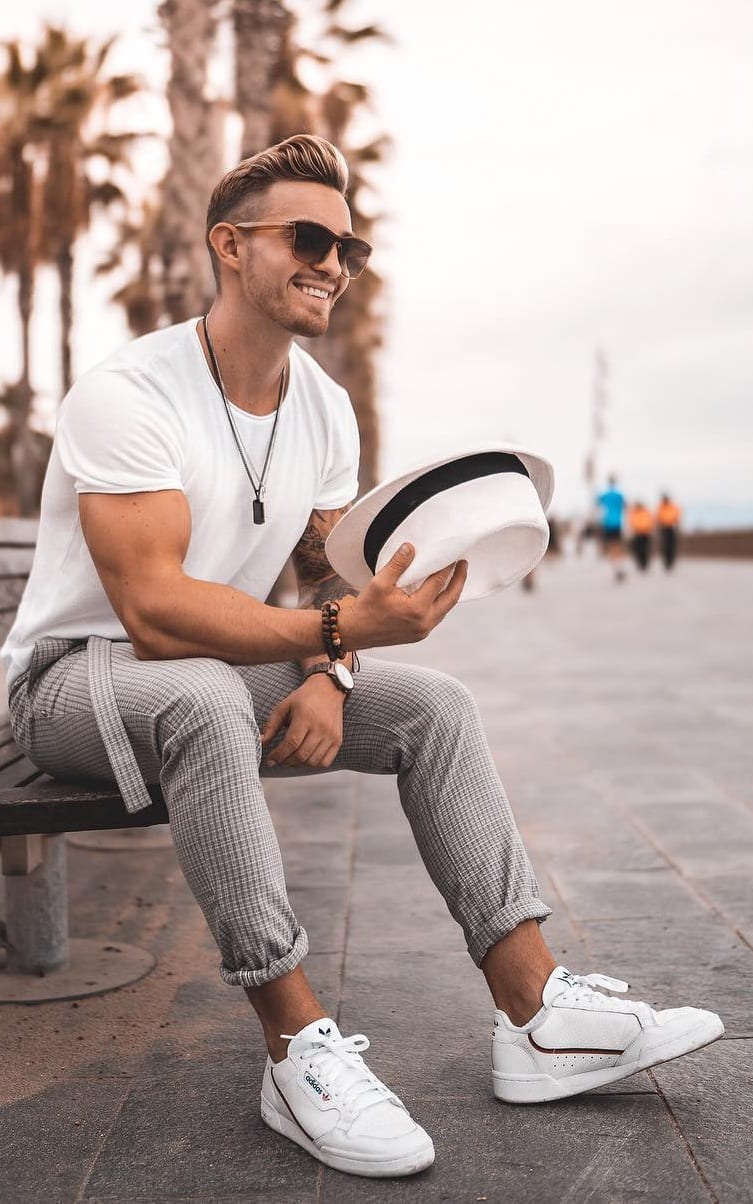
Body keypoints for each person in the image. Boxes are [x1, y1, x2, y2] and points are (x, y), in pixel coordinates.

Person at [1, 135, 723, 1180]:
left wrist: (331, 672)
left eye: (352, 246)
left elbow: (331, 567)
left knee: (434, 704)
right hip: (69, 681)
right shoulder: (131, 393)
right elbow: (155, 613)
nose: (334, 261)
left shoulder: (323, 409)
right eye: (309, 237)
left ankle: (538, 1014)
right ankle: (297, 1048)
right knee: (201, 696)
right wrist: (335, 639)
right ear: (231, 246)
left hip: (202, 671)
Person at [596, 474, 627, 581]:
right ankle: (619, 566)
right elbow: (624, 506)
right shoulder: (619, 495)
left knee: (611, 546)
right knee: (617, 545)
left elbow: (597, 502)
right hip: (617, 523)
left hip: (608, 523)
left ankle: (616, 567)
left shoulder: (605, 495)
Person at [657, 493, 682, 570]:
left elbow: (677, 516)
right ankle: (666, 562)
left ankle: (671, 561)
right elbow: (658, 517)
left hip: (672, 527)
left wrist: (677, 525)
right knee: (665, 546)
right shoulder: (660, 507)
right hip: (664, 528)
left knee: (672, 545)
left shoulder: (673, 506)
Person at [627, 500, 654, 571]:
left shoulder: (646, 512)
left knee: (644, 549)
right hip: (637, 533)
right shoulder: (633, 512)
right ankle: (639, 563)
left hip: (645, 533)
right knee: (637, 550)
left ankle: (645, 564)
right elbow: (631, 522)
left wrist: (647, 528)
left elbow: (650, 521)